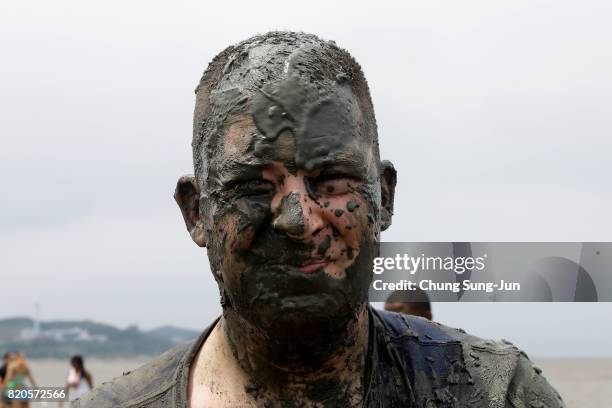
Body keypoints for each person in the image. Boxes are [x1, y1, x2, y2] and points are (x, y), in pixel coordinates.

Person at [75, 32, 565, 407]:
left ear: (384, 198)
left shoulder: (494, 392)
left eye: (330, 180)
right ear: (196, 211)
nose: (298, 219)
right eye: (253, 186)